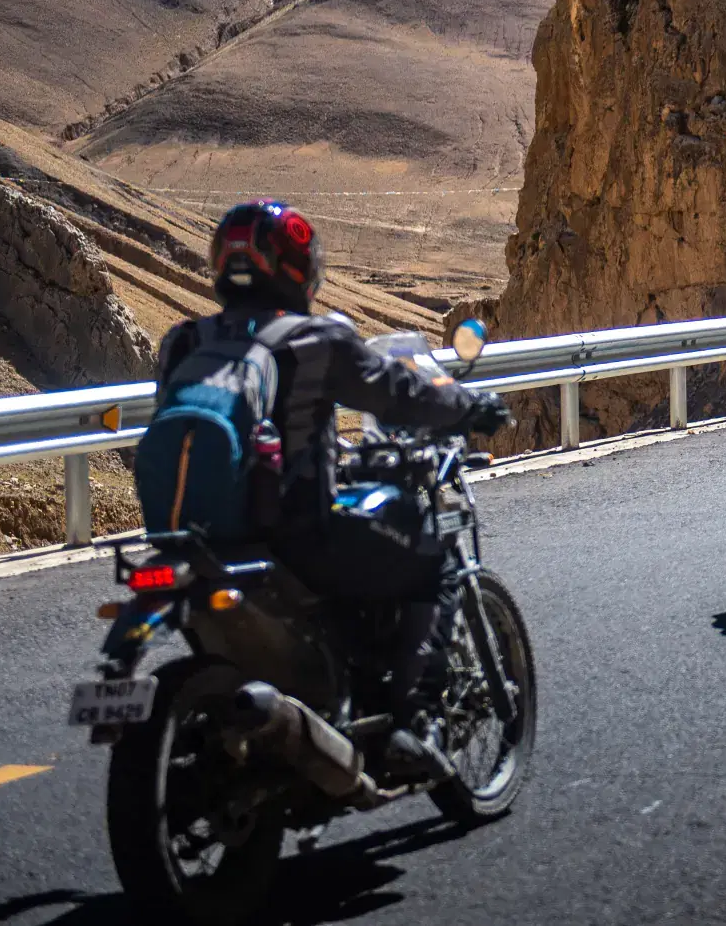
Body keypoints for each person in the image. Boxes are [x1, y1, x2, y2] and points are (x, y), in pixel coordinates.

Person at [153, 199, 508, 777]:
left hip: (196, 538)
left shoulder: (182, 343)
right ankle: (408, 722)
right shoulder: (314, 339)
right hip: (296, 535)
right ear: (299, 268)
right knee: (433, 560)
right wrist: (470, 407)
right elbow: (396, 391)